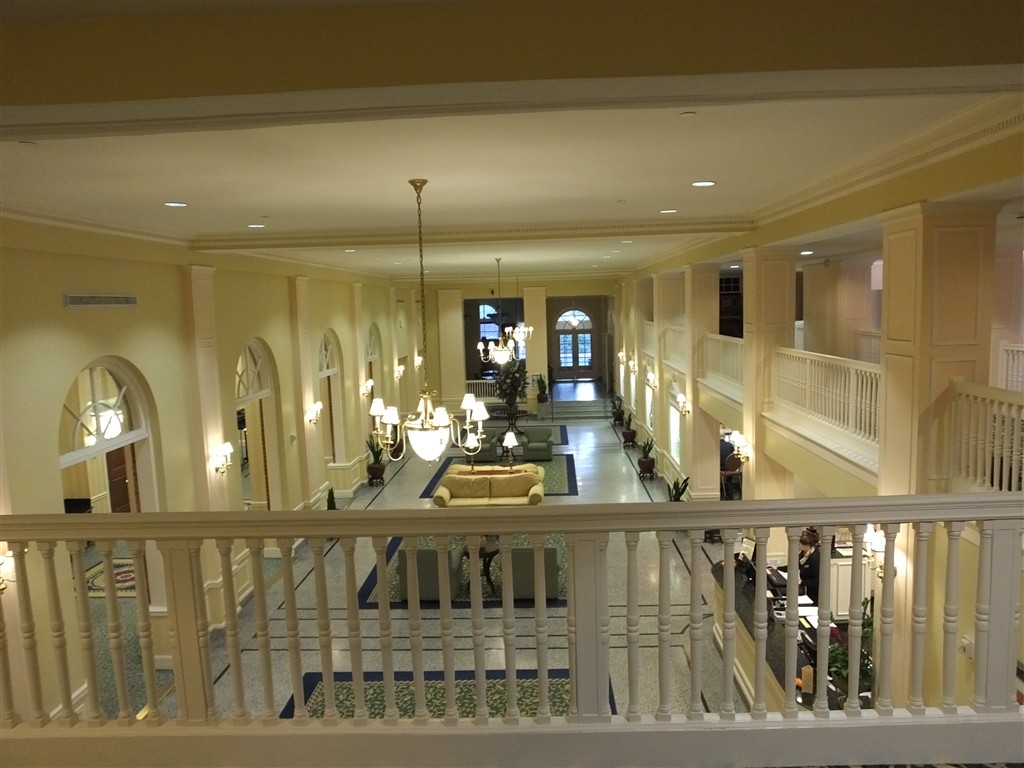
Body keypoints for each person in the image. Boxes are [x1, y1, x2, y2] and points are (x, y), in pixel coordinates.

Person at [771, 527, 822, 604]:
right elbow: (794, 566)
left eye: (799, 543)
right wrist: (777, 568)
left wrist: (801, 582)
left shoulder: (815, 558)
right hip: (804, 588)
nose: (797, 545)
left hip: (812, 594)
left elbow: (817, 581)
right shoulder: (803, 554)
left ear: (806, 545)